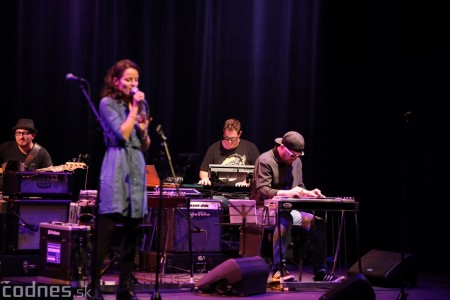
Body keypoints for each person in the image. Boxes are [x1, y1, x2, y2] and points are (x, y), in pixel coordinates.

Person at [92, 59, 151, 300]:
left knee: (133, 231)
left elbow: (144, 144)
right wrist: (135, 111)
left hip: (136, 164)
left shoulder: (138, 104)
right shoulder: (108, 103)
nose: (133, 84)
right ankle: (93, 286)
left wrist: (145, 129)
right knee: (105, 231)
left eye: (136, 79)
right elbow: (121, 134)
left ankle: (124, 287)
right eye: (128, 79)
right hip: (117, 166)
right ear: (116, 81)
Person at [250, 131, 343, 282]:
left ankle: (320, 272)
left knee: (318, 223)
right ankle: (279, 270)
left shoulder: (296, 162)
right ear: (281, 147)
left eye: (298, 156)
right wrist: (289, 192)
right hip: (263, 211)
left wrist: (308, 193)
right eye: (292, 155)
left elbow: (299, 187)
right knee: (284, 217)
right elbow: (262, 191)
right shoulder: (265, 160)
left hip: (288, 212)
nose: (295, 159)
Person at [198, 118, 260, 187]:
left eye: (233, 139)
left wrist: (248, 182)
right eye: (227, 138)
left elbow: (259, 172)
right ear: (223, 133)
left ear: (239, 134)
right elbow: (204, 170)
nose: (229, 142)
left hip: (243, 193)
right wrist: (205, 178)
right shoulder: (214, 148)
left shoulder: (250, 147)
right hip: (218, 192)